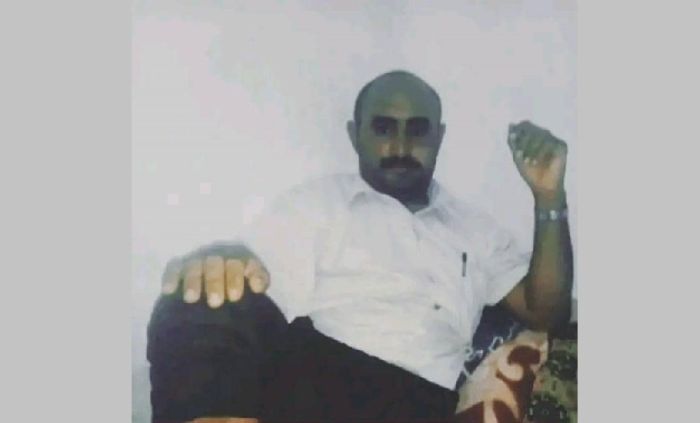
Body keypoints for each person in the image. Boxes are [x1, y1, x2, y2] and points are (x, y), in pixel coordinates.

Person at [147, 70, 573, 423]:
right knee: (202, 288)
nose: (401, 147)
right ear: (355, 136)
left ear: (439, 137)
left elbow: (547, 312)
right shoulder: (318, 204)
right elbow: (250, 283)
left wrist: (549, 196)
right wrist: (222, 265)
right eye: (384, 128)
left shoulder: (474, 228)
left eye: (417, 130)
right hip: (318, 375)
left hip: (416, 403)